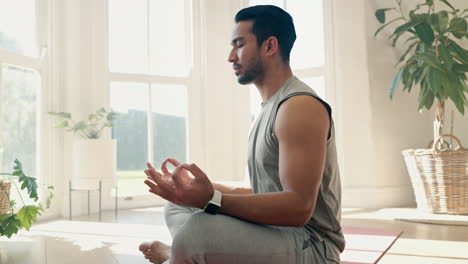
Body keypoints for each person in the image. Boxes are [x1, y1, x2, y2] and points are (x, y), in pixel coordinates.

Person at [139, 5, 345, 264]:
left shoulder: (299, 107)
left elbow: (299, 208)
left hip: (312, 247)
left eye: (238, 45)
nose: (230, 56)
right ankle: (181, 253)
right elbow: (261, 192)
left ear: (269, 46)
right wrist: (192, 190)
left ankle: (177, 255)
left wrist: (211, 199)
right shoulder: (270, 107)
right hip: (276, 234)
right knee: (178, 206)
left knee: (198, 232)